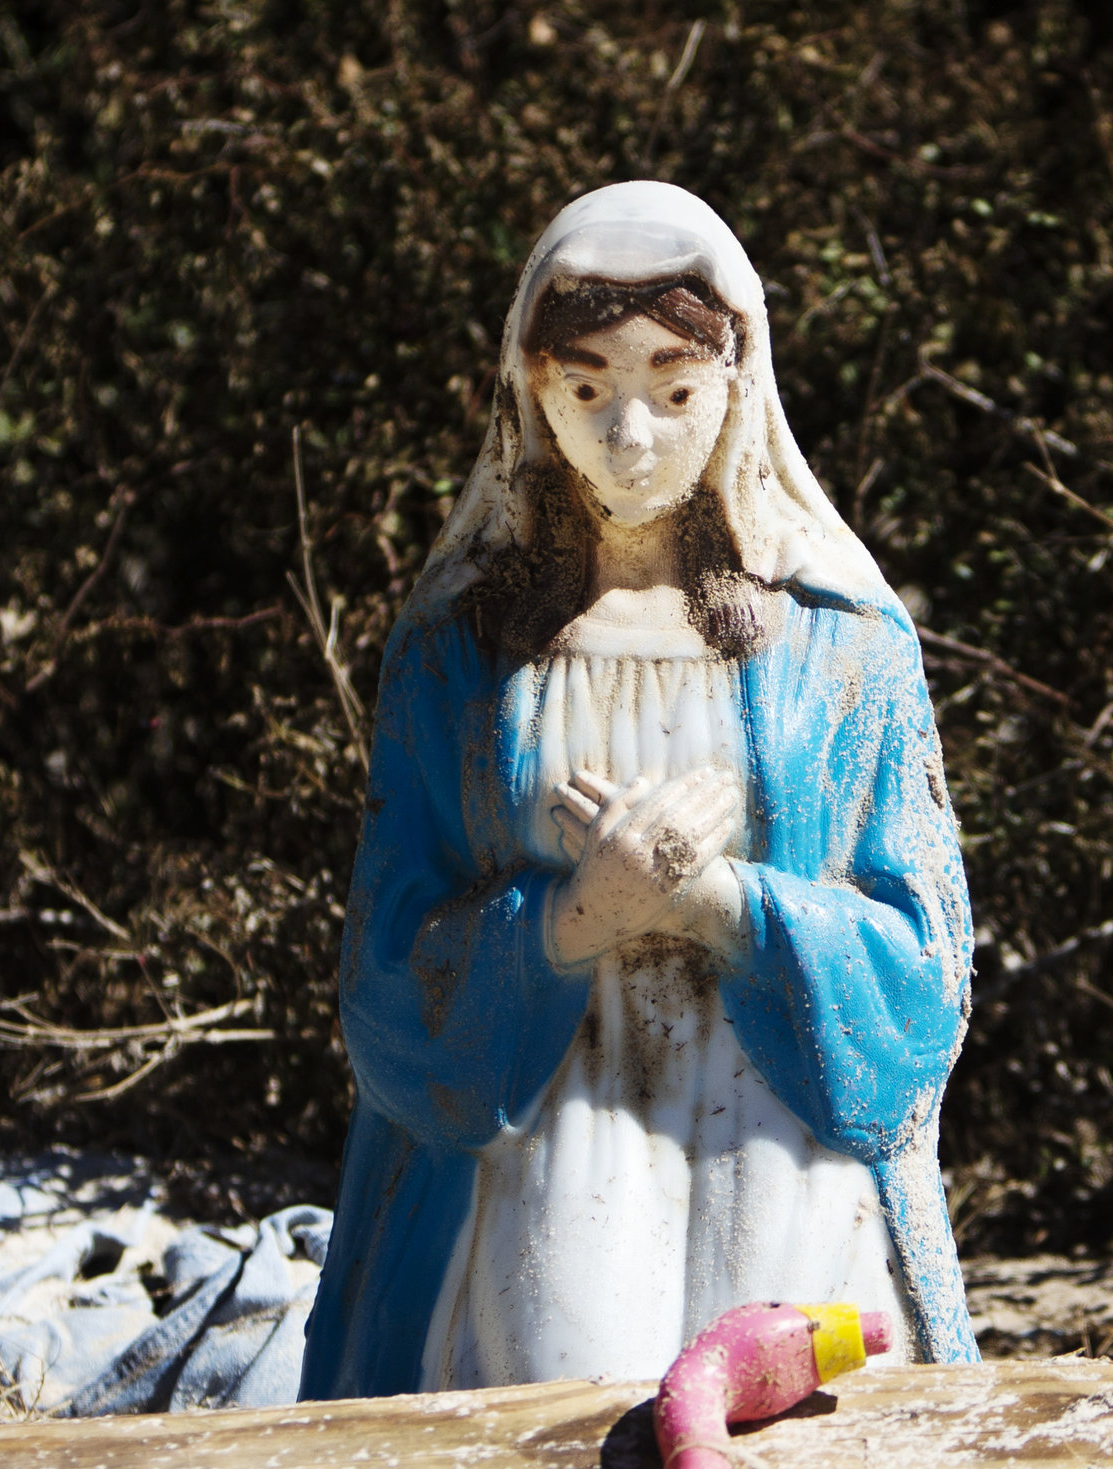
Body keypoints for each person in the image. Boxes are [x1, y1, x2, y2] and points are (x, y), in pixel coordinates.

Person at [300, 181, 974, 1400]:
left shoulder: (842, 645)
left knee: (822, 1412)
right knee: (567, 1394)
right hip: (546, 1133)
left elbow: (923, 977)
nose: (632, 438)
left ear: (737, 384)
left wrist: (718, 903)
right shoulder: (458, 654)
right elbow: (383, 977)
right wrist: (575, 921)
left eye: (673, 390)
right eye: (586, 390)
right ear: (530, 389)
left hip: (783, 1124)